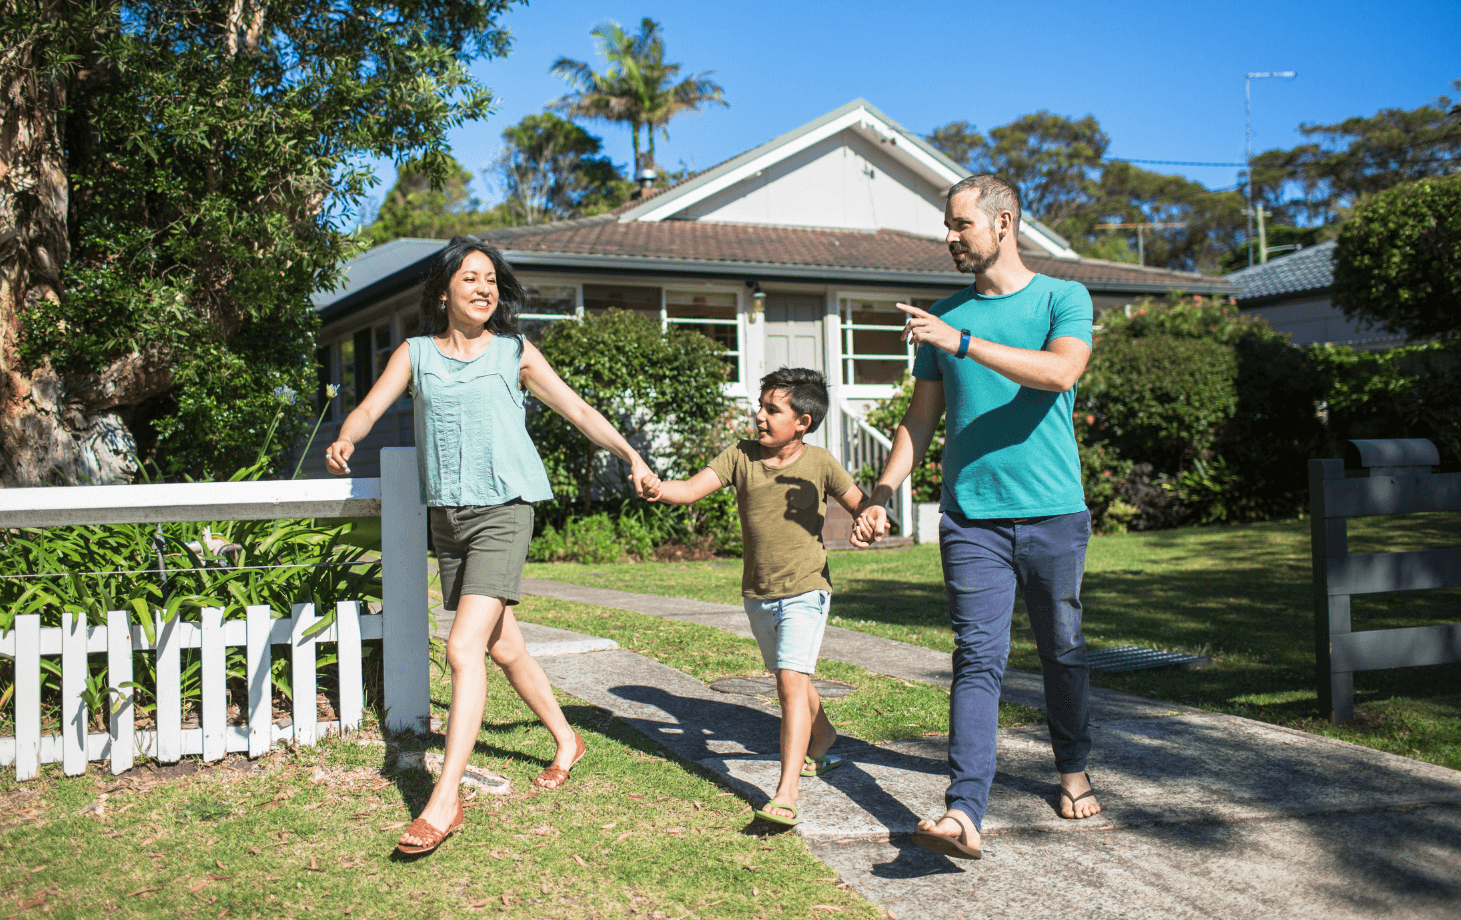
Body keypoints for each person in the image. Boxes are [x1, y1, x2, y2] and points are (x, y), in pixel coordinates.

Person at [325, 236, 656, 856]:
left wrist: (630, 454)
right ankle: (567, 738)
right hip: (448, 517)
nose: (484, 289)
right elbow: (370, 407)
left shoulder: (514, 352)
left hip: (504, 508)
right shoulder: (416, 353)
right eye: (471, 278)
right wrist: (346, 435)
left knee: (462, 647)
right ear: (445, 290)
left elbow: (578, 409)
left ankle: (444, 800)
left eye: (492, 281)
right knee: (504, 645)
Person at [854, 174, 1101, 862]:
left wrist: (961, 341)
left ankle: (1072, 766)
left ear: (1003, 222)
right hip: (972, 519)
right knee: (977, 660)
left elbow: (1058, 373)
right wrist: (883, 492)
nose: (950, 237)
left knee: (1063, 651)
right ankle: (964, 810)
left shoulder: (1062, 297)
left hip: (1054, 512)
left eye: (960, 224)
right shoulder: (943, 314)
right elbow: (922, 416)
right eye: (948, 224)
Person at [646, 367, 867, 828]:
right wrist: (658, 488)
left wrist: (871, 520)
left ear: (802, 421)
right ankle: (823, 736)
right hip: (759, 593)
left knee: (789, 680)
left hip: (808, 587)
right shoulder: (740, 456)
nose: (760, 417)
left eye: (772, 410)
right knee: (794, 678)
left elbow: (860, 503)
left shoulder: (821, 463)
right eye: (760, 407)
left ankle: (786, 792)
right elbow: (689, 490)